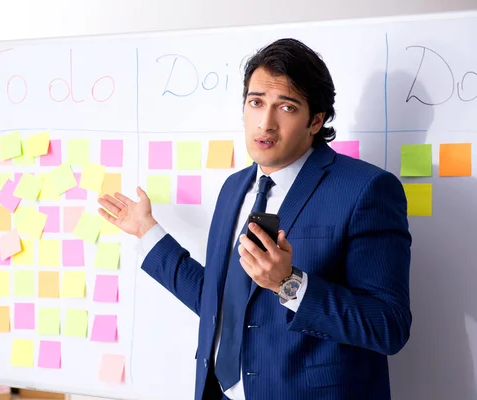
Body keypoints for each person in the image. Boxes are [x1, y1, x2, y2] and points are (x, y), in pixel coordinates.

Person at [98, 38, 412, 400]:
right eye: (256, 102)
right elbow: (217, 301)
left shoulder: (366, 190)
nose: (265, 123)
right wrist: (147, 232)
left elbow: (388, 326)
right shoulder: (235, 188)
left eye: (287, 107)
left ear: (316, 120)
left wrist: (288, 284)